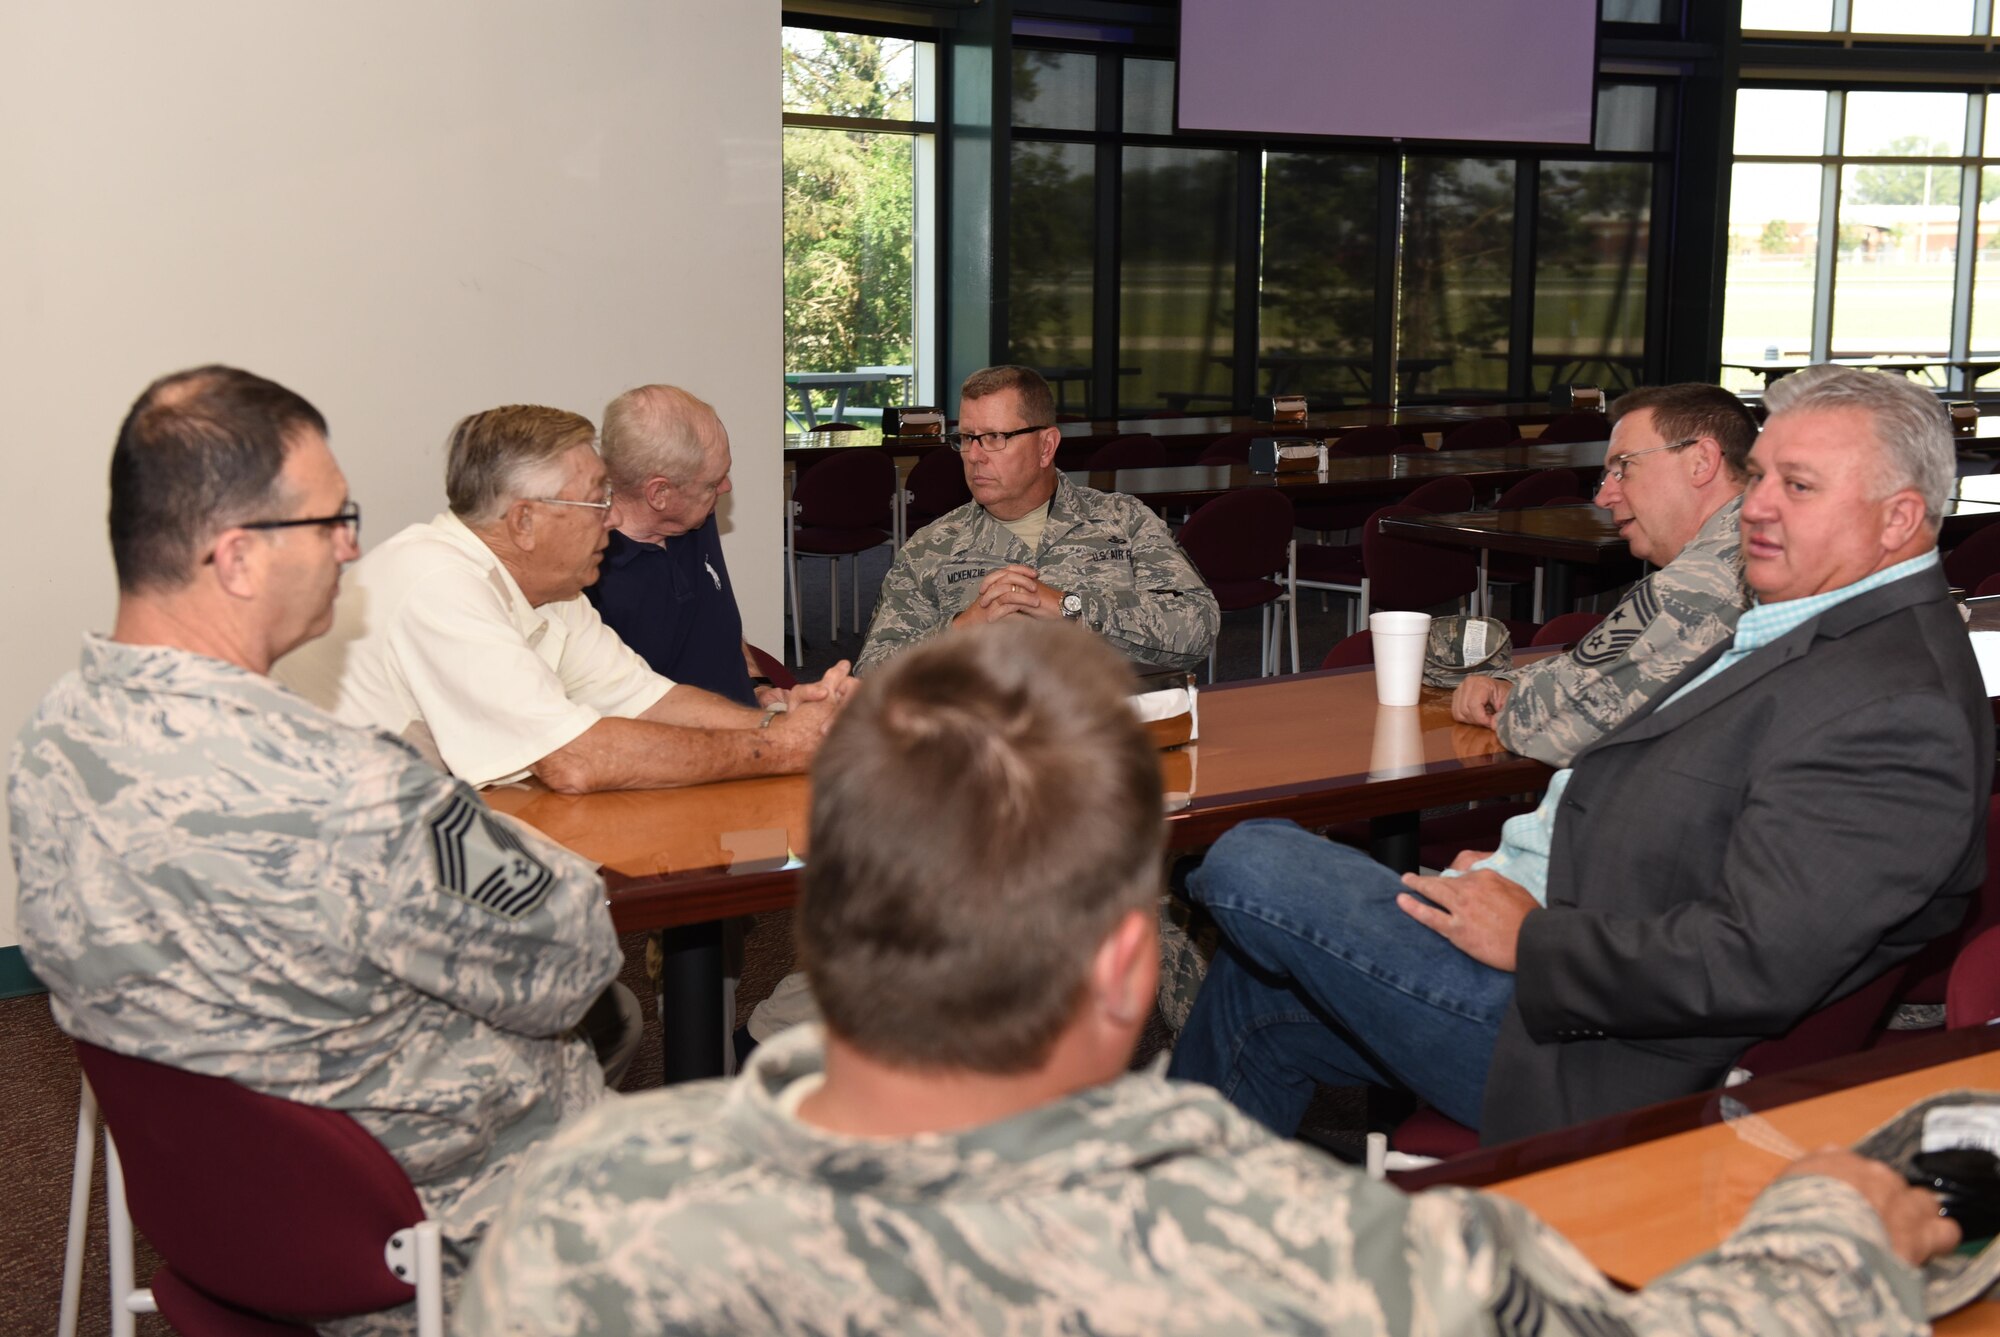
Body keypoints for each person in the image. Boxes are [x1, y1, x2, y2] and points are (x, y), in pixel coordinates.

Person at [457, 620, 1959, 1337]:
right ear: (1125, 967)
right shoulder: (1335, 1262)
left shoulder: (566, 1215)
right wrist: (1836, 1215)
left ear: (826, 928)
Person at [1171, 363, 1992, 1145]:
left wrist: (1529, 934)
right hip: (1573, 972)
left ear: (1899, 518)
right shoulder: (1816, 627)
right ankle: (1158, 1240)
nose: (1756, 507)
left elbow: (1752, 962)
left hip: (1597, 1055)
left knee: (1253, 858)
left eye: (1798, 485)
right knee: (1258, 984)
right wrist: (1519, 871)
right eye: (1762, 475)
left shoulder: (1897, 706)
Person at [9, 367, 625, 1331]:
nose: (352, 547)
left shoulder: (53, 739)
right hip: (452, 1230)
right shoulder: (353, 787)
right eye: (334, 522)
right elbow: (575, 954)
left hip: (222, 1218)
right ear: (239, 557)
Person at [276, 403, 851, 793]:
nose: (610, 520)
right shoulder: (437, 582)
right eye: (596, 500)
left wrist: (774, 723)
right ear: (524, 520)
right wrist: (779, 751)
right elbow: (573, 759)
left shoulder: (551, 588)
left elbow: (646, 698)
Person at [1452, 382, 1757, 765]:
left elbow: (1563, 723)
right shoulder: (1775, 543)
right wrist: (1511, 683)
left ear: (1701, 461)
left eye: (1624, 468)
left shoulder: (1698, 581)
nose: (1603, 496)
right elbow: (1608, 666)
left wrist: (1511, 698)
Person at [855, 364, 1217, 677]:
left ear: (1046, 446)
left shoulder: (1124, 522)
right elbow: (871, 677)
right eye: (966, 438)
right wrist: (961, 630)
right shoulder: (931, 548)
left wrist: (1069, 608)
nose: (975, 456)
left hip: (1109, 733)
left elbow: (1199, 627)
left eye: (995, 437)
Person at [588, 384, 782, 709]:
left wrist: (757, 685)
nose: (726, 487)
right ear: (659, 494)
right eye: (712, 482)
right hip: (678, 748)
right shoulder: (588, 572)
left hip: (746, 724)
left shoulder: (693, 518)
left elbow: (716, 627)